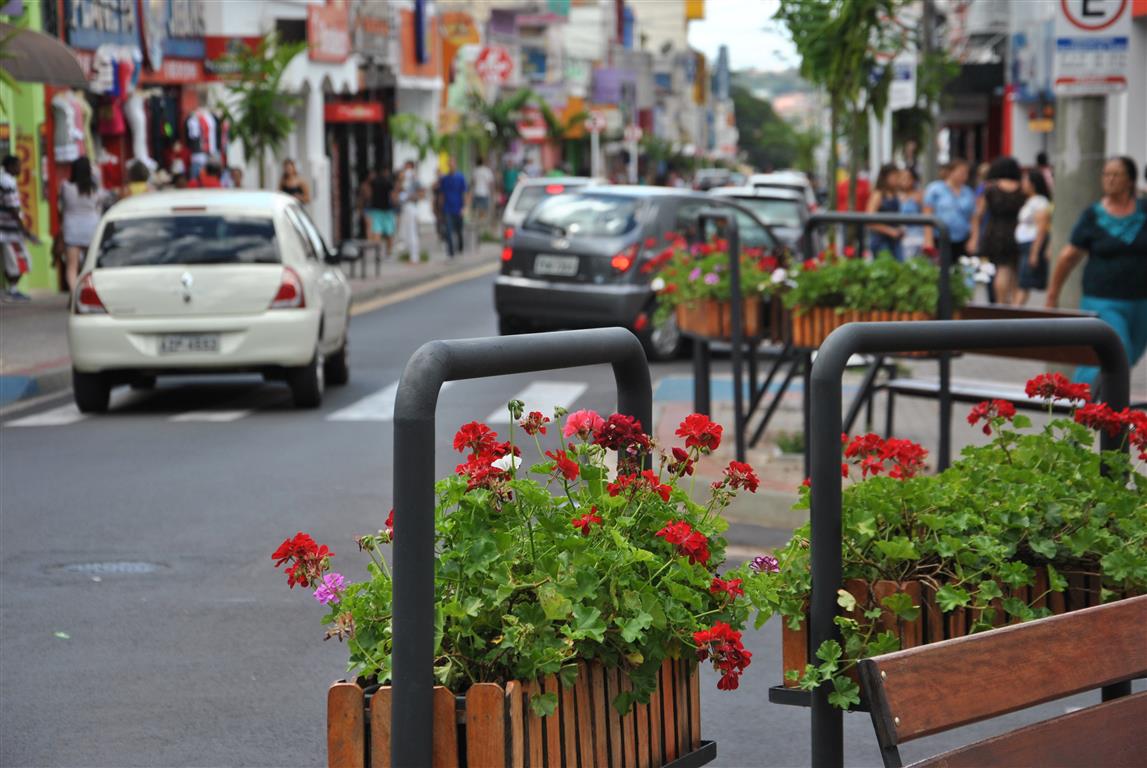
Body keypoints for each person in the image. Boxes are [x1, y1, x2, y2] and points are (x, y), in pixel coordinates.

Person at [1047, 156, 1147, 389]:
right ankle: (1083, 403)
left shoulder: (1144, 211)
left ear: (1130, 181)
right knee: (1115, 349)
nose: (1109, 179)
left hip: (1141, 301)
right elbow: (1068, 257)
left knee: (1129, 355)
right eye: (1106, 174)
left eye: (1116, 174)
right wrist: (1053, 293)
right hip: (1102, 300)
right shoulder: (1093, 216)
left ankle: (1103, 406)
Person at [970, 156, 1026, 305]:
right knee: (1015, 271)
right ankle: (1016, 305)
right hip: (1018, 231)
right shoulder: (1022, 188)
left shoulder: (990, 188)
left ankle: (1001, 304)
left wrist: (975, 236)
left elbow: (978, 214)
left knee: (1002, 269)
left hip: (996, 231)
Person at [59, 156, 112, 291]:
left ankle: (74, 294)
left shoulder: (66, 187)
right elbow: (101, 202)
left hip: (72, 229)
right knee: (90, 266)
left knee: (72, 266)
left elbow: (61, 206)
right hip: (91, 228)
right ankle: (89, 291)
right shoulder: (95, 189)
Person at [1013, 168, 1052, 307]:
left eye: (1025, 180)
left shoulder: (1040, 202)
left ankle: (1015, 311)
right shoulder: (1031, 201)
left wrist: (1034, 252)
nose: (1022, 184)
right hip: (1025, 245)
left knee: (1024, 283)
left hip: (1031, 245)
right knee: (1022, 281)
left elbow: (1041, 228)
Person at [923, 158, 976, 259]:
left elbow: (974, 218)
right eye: (961, 172)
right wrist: (928, 240)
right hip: (939, 238)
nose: (964, 176)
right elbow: (927, 215)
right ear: (951, 172)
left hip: (962, 239)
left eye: (966, 173)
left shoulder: (968, 192)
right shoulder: (935, 189)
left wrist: (973, 239)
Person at [0, 155, 36, 301]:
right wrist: (24, 229)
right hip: (9, 230)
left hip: (8, 229)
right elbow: (13, 208)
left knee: (11, 260)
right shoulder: (7, 182)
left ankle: (11, 289)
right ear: (9, 167)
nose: (20, 169)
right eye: (17, 166)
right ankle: (12, 290)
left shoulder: (6, 180)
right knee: (20, 260)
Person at [866, 163, 904, 260]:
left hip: (895, 241)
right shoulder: (878, 195)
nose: (897, 179)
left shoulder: (895, 194)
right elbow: (869, 221)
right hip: (881, 241)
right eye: (895, 176)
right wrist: (890, 231)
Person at [439, 158, 467, 257]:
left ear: (455, 165)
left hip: (458, 208)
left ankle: (460, 247)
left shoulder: (460, 178)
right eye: (449, 164)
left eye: (453, 164)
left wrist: (464, 207)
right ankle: (450, 252)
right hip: (447, 208)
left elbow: (464, 193)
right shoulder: (444, 179)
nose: (451, 166)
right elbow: (442, 194)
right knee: (448, 230)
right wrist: (440, 209)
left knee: (459, 230)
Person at [397, 161, 423, 261]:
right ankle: (409, 254)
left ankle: (414, 256)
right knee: (404, 232)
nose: (405, 169)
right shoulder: (404, 179)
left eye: (407, 167)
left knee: (412, 232)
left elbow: (421, 193)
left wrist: (413, 196)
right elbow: (399, 189)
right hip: (404, 207)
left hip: (411, 207)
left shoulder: (414, 179)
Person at [899, 168, 925, 260]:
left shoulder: (919, 196)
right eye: (901, 178)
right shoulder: (896, 196)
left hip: (917, 238)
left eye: (907, 178)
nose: (904, 181)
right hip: (900, 238)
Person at [471, 158, 494, 228]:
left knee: (476, 211)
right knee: (483, 211)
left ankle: (477, 225)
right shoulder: (487, 171)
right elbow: (490, 183)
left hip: (476, 193)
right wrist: (492, 193)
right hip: (485, 193)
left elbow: (473, 182)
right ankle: (481, 225)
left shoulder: (475, 171)